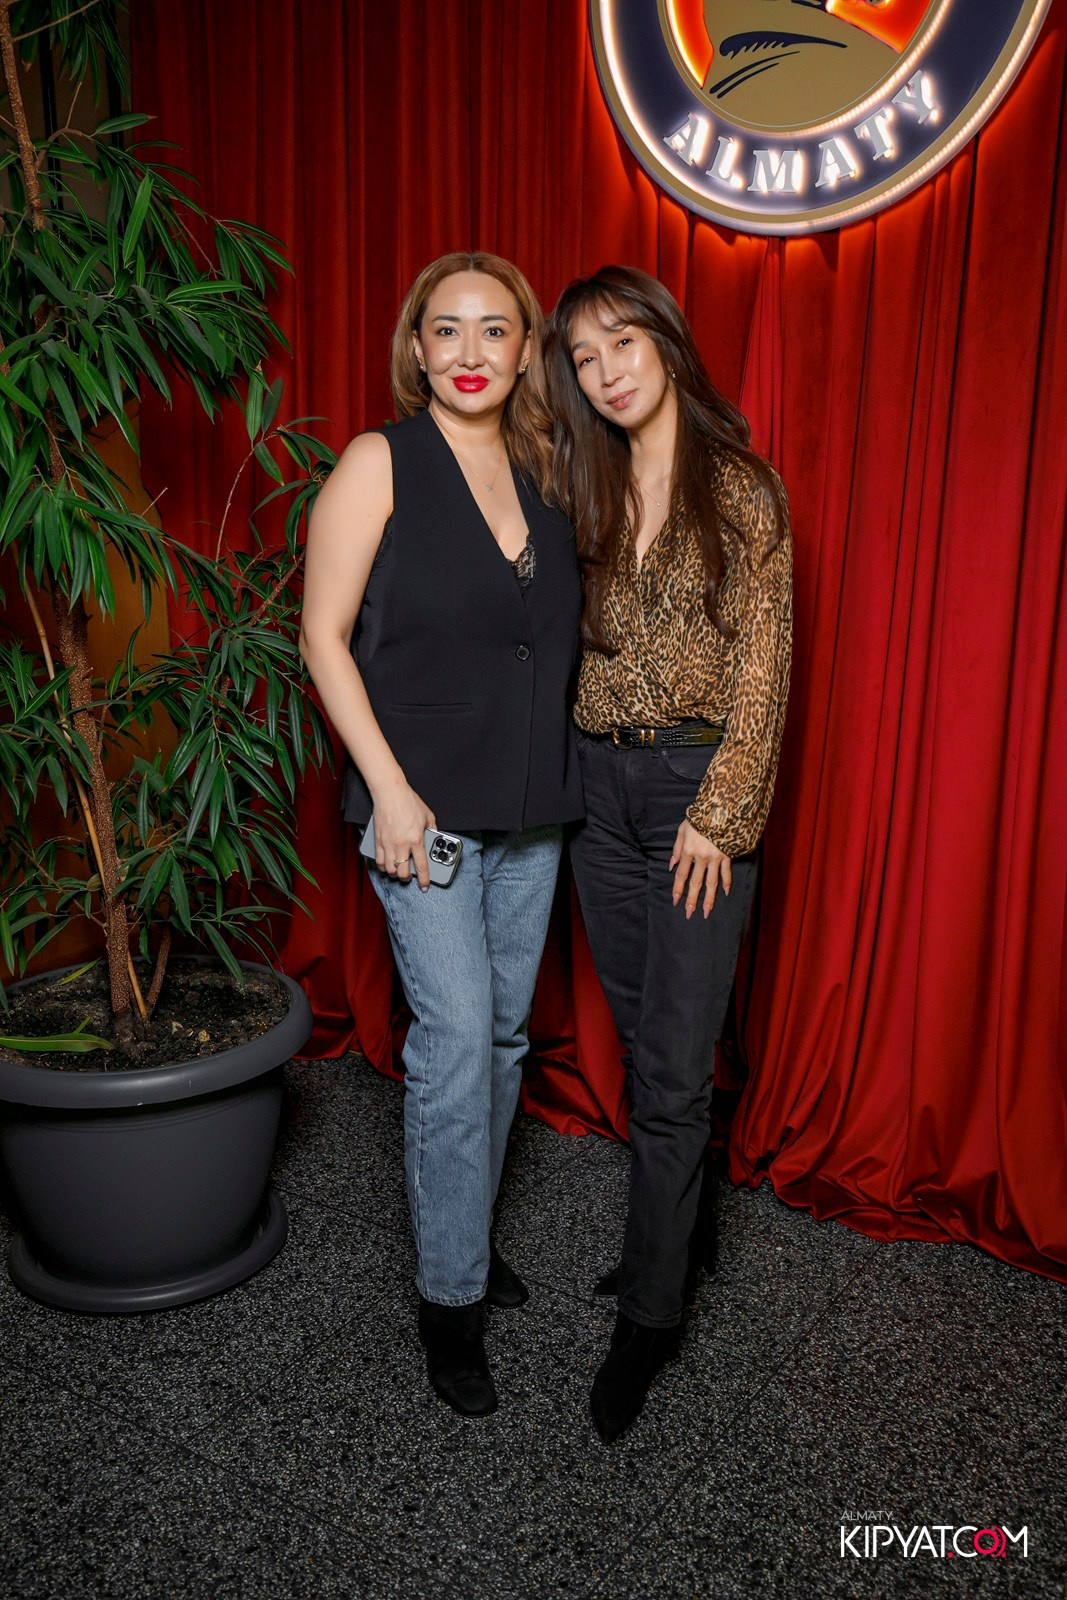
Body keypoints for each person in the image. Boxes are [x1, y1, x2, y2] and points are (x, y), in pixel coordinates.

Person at [300, 252, 583, 1418]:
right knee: (457, 1039)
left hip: (532, 804)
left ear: (523, 351)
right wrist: (388, 790)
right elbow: (321, 636)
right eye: (447, 329)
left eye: (494, 330)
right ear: (416, 348)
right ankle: (448, 1301)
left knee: (503, 1037)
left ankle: (462, 1229)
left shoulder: (545, 467)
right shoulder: (379, 461)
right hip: (420, 810)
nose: (470, 352)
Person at [546, 266, 792, 1443]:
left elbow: (764, 665)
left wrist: (720, 813)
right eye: (582, 358)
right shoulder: (583, 485)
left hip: (696, 793)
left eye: (621, 344)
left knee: (674, 1068)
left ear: (665, 343)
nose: (605, 372)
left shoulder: (738, 486)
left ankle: (648, 1315)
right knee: (647, 1035)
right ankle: (681, 1229)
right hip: (597, 790)